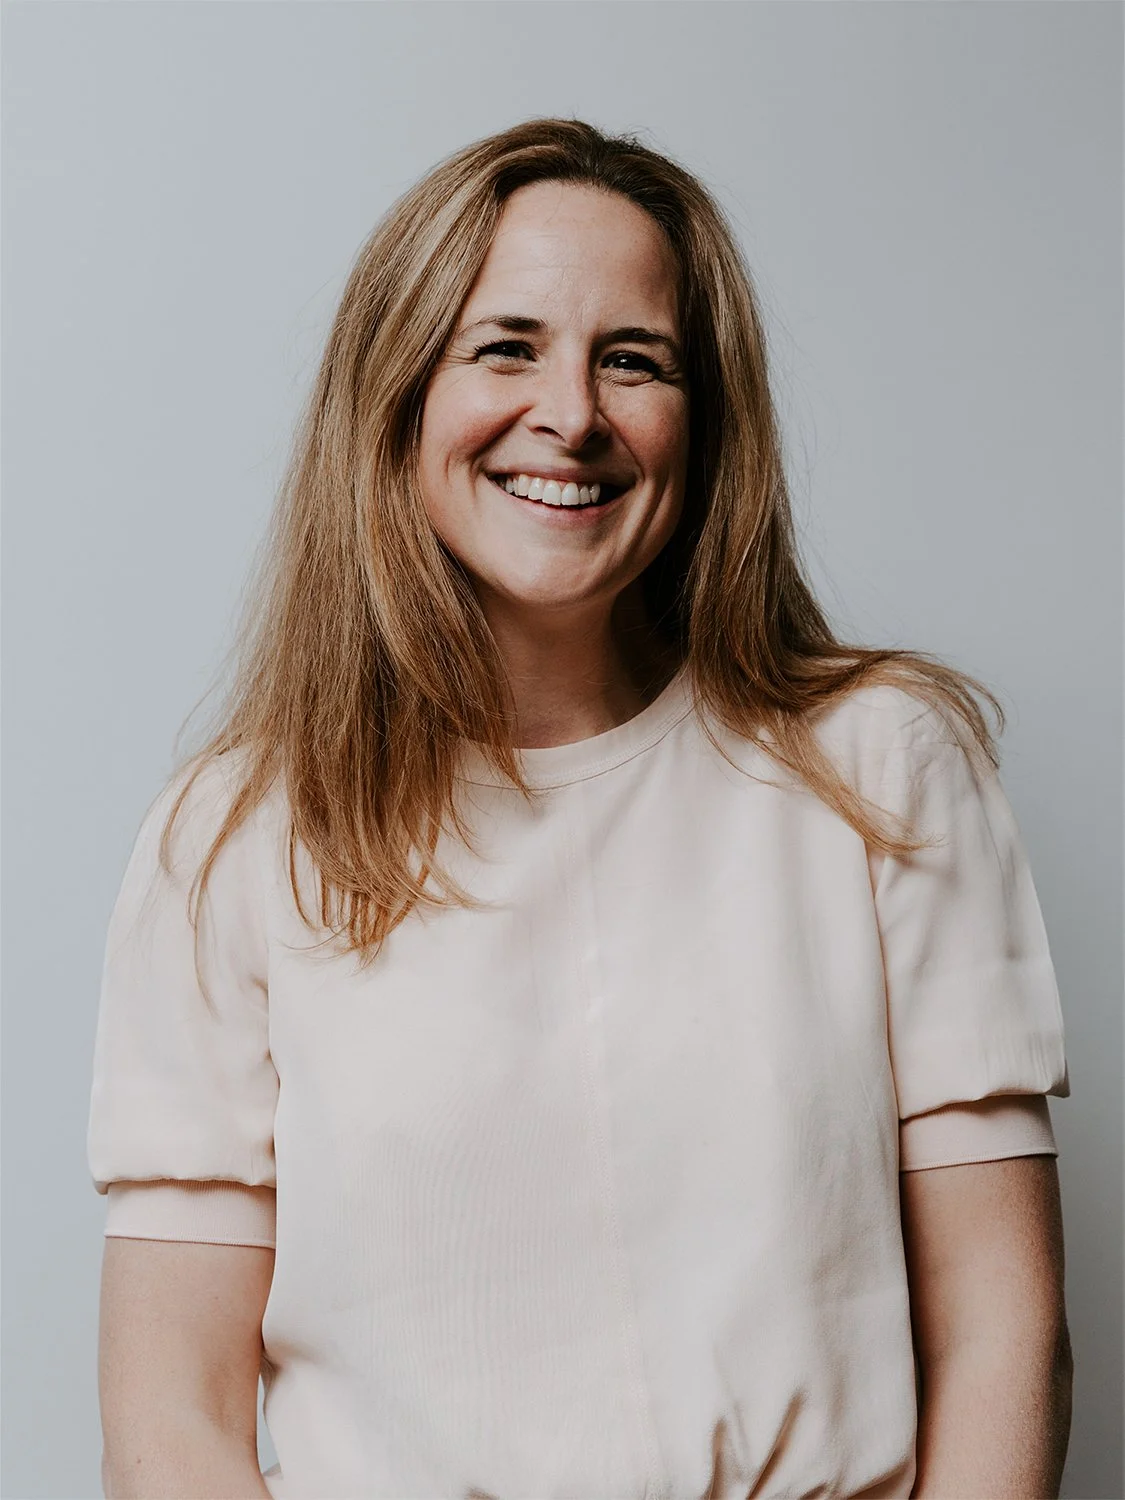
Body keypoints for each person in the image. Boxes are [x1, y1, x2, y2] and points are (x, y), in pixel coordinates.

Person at [88, 117, 1072, 1500]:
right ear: (399, 394)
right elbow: (170, 1407)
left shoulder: (883, 771)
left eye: (635, 359)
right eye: (507, 346)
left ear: (704, 421)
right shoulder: (234, 840)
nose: (573, 413)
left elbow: (1004, 1332)